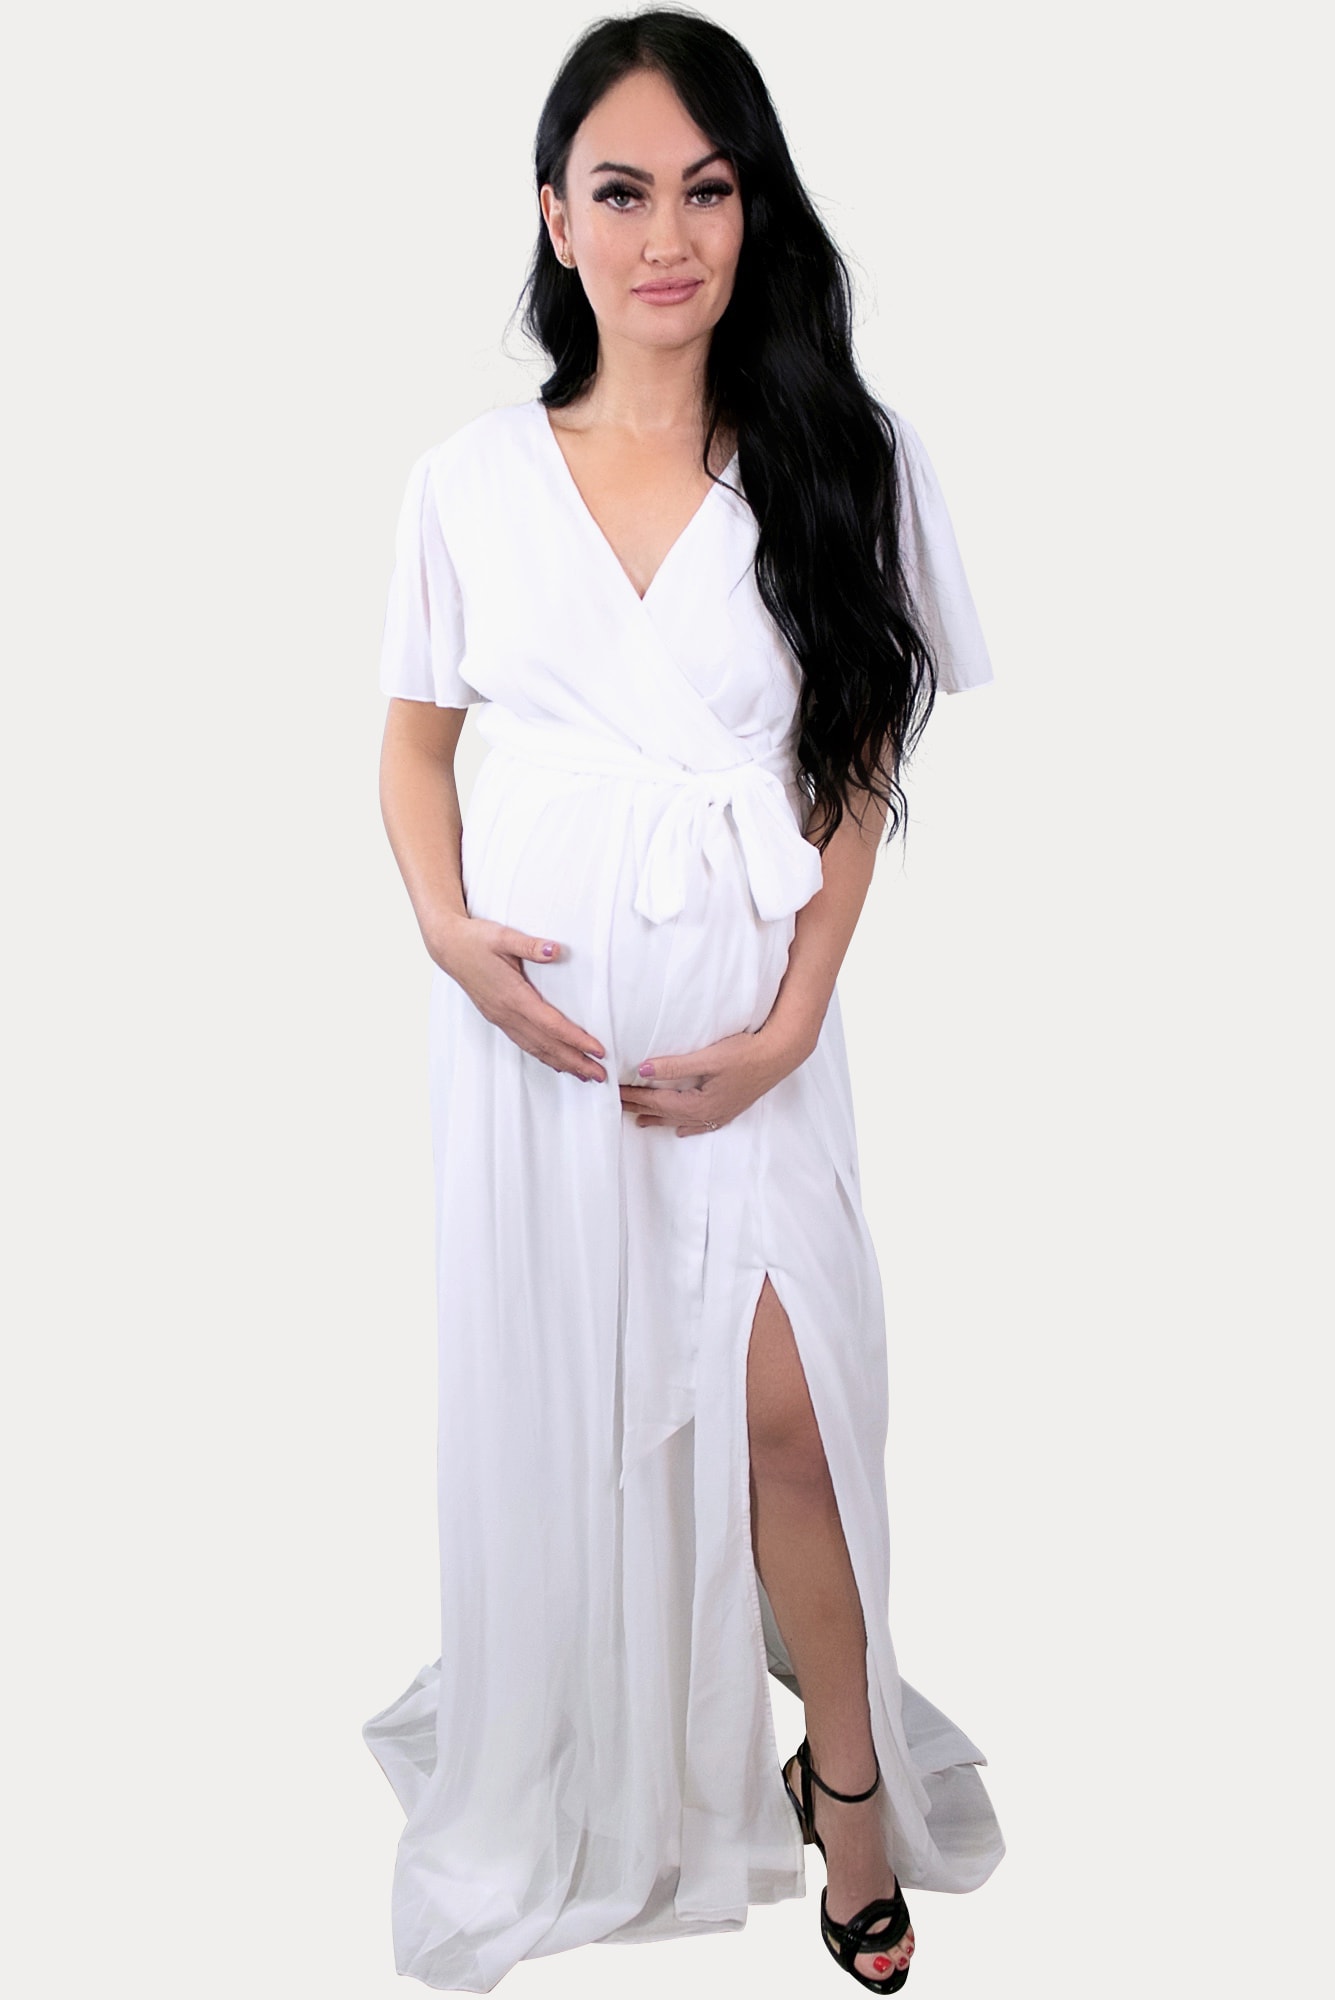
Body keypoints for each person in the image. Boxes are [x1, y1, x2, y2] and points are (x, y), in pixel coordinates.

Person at [361, 10, 1004, 1993]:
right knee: (589, 1410)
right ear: (554, 218)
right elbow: (411, 749)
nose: (668, 236)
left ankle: (848, 1793)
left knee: (788, 1415)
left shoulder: (840, 457)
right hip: (543, 1054)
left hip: (747, 1043)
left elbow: (856, 764)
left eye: (707, 191)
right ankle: (624, 1762)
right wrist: (447, 930)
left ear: (752, 209)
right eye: (623, 191)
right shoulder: (471, 481)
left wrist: (799, 1012)